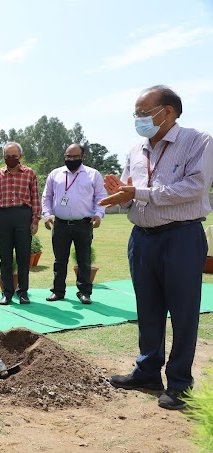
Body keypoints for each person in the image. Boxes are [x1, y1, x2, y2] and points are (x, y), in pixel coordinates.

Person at [100, 85, 213, 410]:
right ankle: (148, 371)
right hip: (142, 239)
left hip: (181, 237)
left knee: (183, 311)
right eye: (135, 114)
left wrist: (138, 193)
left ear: (169, 112)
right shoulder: (136, 150)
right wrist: (117, 197)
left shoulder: (198, 141)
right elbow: (127, 190)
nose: (138, 119)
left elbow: (194, 187)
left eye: (144, 113)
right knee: (147, 308)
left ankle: (179, 383)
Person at [41, 143, 106, 304]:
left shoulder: (93, 174)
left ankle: (84, 292)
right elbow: (46, 196)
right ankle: (58, 291)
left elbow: (101, 197)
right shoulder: (55, 174)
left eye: (75, 157)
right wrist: (47, 214)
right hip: (60, 224)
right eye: (68, 156)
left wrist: (98, 215)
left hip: (83, 224)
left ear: (83, 157)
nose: (71, 159)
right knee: (59, 260)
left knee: (84, 260)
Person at [0, 142, 41, 305]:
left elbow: (35, 198)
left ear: (20, 157)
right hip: (3, 216)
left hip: (23, 215)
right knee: (5, 258)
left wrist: (35, 220)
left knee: (24, 257)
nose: (11, 159)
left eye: (14, 156)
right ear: (4, 157)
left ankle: (23, 292)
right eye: (7, 156)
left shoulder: (29, 173)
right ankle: (7, 293)